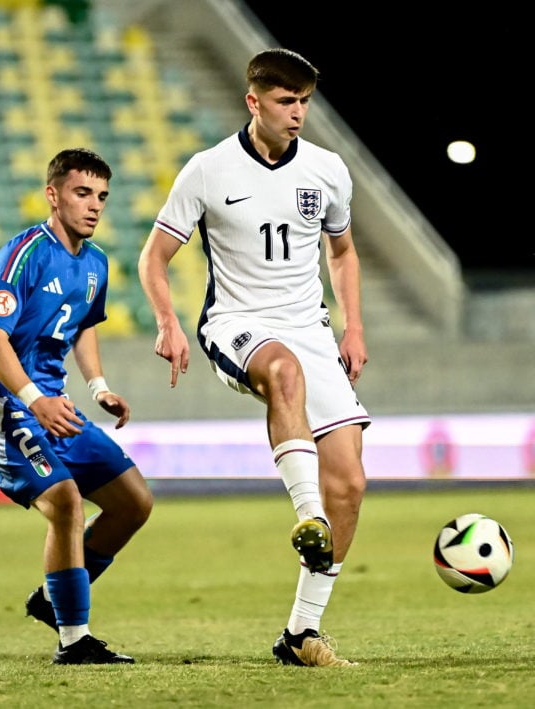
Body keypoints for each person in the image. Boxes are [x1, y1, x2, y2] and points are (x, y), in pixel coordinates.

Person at [137, 48, 368, 667]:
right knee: (283, 373)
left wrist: (354, 329)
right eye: (286, 102)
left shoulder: (327, 171)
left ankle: (301, 634)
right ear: (254, 101)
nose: (297, 114)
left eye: (304, 103)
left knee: (348, 482)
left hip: (310, 329)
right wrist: (168, 322)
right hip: (237, 324)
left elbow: (342, 253)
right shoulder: (209, 170)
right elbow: (153, 256)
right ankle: (306, 515)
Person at [0, 148, 153, 665]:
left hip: (56, 404)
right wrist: (34, 400)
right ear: (53, 195)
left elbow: (83, 325)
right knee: (66, 501)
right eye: (82, 193)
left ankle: (54, 597)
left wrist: (98, 387)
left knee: (134, 502)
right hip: (3, 406)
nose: (94, 206)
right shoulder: (24, 254)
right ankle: (74, 639)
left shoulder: (95, 262)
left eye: (102, 197)